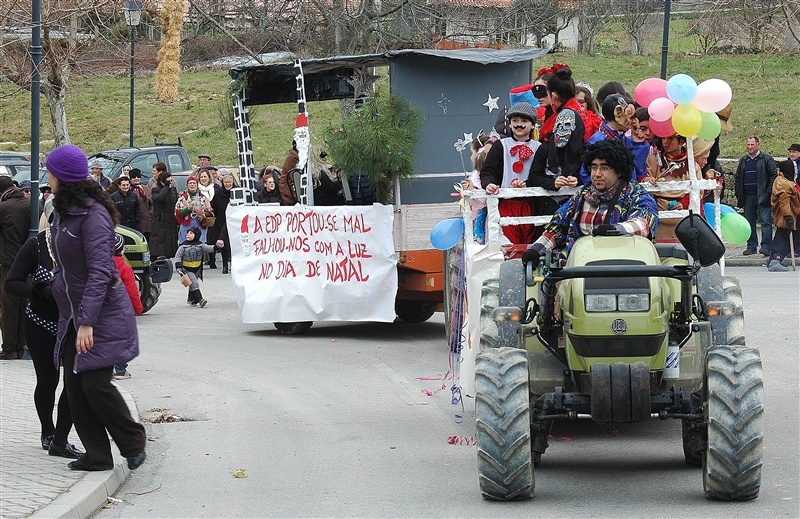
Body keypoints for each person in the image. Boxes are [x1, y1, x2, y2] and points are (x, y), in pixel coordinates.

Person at [44, 143, 146, 472]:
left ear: (63, 177)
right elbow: (67, 266)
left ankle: (133, 441)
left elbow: (102, 271)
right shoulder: (62, 210)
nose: (47, 176)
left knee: (96, 384)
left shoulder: (93, 214)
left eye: (51, 172)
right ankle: (98, 456)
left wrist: (86, 321)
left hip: (102, 313)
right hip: (74, 312)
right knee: (75, 387)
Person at [4, 227, 84, 459]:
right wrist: (35, 290)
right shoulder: (37, 245)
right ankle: (47, 432)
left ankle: (61, 438)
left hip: (73, 326)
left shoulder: (83, 242)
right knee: (48, 380)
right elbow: (11, 283)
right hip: (41, 325)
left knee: (74, 381)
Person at [521, 139, 658, 266]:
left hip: (621, 266)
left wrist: (616, 230)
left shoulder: (636, 194)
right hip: (577, 266)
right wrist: (536, 250)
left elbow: (644, 223)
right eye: (594, 167)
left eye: (604, 168)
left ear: (619, 171)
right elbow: (557, 227)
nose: (597, 174)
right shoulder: (582, 195)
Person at [526, 64, 582, 239]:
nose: (564, 132)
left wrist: (577, 179)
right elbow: (533, 177)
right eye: (562, 126)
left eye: (568, 127)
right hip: (548, 206)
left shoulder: (581, 151)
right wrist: (553, 183)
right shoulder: (545, 148)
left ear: (554, 96)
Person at [480, 102, 541, 245]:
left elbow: (541, 175)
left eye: (524, 121)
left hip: (530, 204)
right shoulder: (500, 145)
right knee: (507, 244)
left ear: (533, 125)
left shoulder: (539, 148)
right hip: (506, 203)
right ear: (510, 124)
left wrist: (527, 184)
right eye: (515, 121)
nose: (519, 124)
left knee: (529, 244)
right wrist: (488, 184)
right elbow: (488, 171)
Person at [582, 94, 649, 184]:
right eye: (631, 116)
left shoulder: (623, 139)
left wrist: (638, 144)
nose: (634, 121)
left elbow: (637, 170)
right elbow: (586, 174)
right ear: (618, 114)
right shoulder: (597, 142)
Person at [0, 175, 29, 360]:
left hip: (8, 263)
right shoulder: (31, 205)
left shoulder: (4, 208)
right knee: (24, 305)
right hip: (29, 264)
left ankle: (10, 349)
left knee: (8, 306)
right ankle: (22, 345)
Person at [734, 136, 778, 256]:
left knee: (765, 222)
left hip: (763, 196)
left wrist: (767, 192)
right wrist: (738, 193)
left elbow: (774, 176)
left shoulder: (767, 159)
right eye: (748, 144)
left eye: (752, 144)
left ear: (758, 145)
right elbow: (738, 178)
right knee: (749, 222)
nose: (749, 147)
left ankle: (766, 247)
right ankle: (751, 246)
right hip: (748, 196)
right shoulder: (743, 160)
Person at [112, 233, 142, 378]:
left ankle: (106, 368)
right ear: (122, 250)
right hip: (121, 310)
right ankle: (121, 369)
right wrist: (138, 308)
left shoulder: (98, 264)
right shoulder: (124, 268)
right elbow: (132, 291)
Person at [175, 227, 224, 307]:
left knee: (192, 284)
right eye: (188, 233)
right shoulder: (183, 246)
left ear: (196, 235)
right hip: (187, 269)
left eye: (191, 233)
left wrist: (217, 246)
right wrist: (178, 266)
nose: (188, 235)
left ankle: (192, 299)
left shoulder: (201, 245)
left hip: (197, 269)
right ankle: (200, 299)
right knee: (195, 283)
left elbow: (210, 249)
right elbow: (177, 257)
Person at [461, 135, 495, 243]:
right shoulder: (475, 174)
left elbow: (486, 199)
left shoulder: (484, 175)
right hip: (482, 217)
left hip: (490, 217)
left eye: (472, 153)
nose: (471, 157)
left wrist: (472, 189)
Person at [767, 160, 800, 272]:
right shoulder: (784, 183)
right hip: (785, 215)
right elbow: (784, 201)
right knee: (783, 237)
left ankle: (773, 259)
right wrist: (788, 217)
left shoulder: (784, 181)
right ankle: (775, 260)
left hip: (785, 214)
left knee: (782, 235)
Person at [175, 174, 212, 244]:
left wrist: (202, 214)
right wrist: (188, 209)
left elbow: (210, 213)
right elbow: (178, 214)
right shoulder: (182, 198)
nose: (192, 185)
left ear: (197, 185)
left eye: (194, 183)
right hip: (186, 225)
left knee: (200, 246)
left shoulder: (203, 198)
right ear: (187, 185)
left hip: (200, 225)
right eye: (190, 183)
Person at [150, 171, 179, 259]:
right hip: (160, 222)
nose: (170, 183)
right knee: (160, 243)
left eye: (171, 181)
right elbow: (160, 198)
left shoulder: (173, 190)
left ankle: (168, 259)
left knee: (170, 244)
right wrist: (165, 187)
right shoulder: (155, 190)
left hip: (171, 221)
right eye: (168, 181)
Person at [209, 174, 235, 274]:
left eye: (229, 182)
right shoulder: (219, 193)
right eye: (226, 182)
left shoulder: (236, 192)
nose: (228, 184)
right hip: (221, 221)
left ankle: (233, 264)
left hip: (234, 222)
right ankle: (224, 265)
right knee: (223, 244)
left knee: (233, 245)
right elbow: (213, 206)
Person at [129, 169, 152, 242]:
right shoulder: (128, 190)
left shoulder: (146, 189)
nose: (136, 179)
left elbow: (152, 203)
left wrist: (150, 213)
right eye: (134, 177)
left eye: (138, 177)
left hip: (146, 222)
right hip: (133, 222)